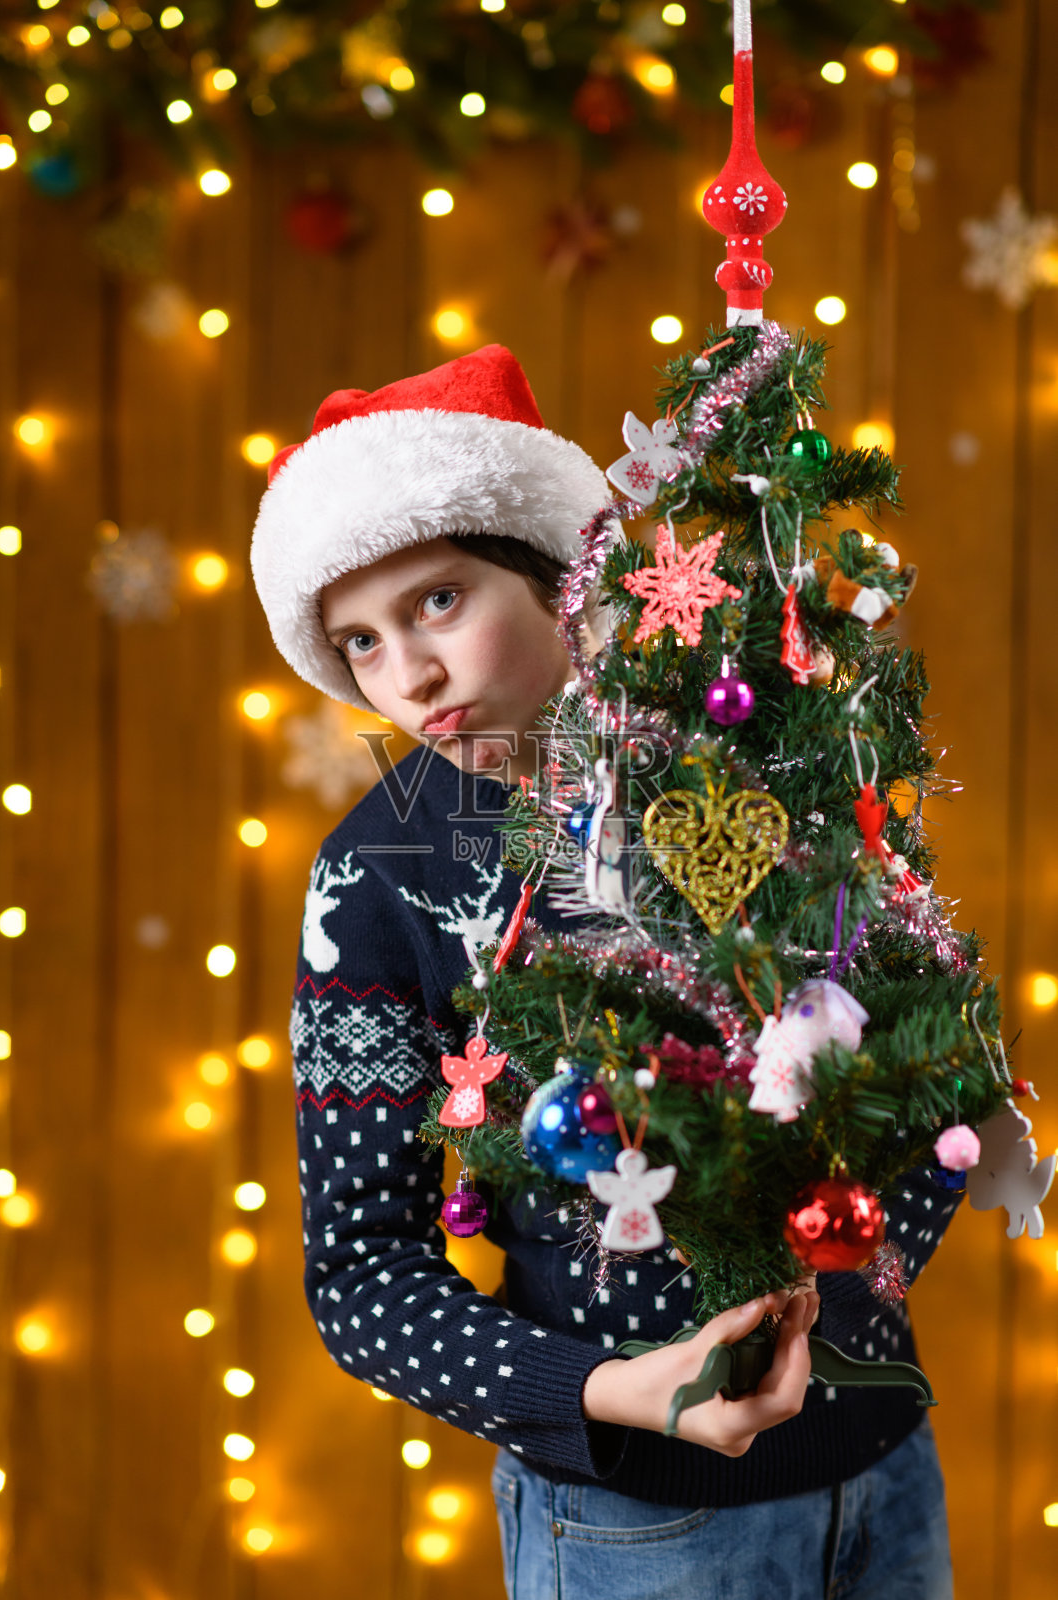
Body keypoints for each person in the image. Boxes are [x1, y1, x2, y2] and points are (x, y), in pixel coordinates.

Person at [250, 344, 959, 1599]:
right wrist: (605, 1391)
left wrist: (834, 1264)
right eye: (357, 642)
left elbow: (929, 1056)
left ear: (551, 570)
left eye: (436, 602)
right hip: (639, 1525)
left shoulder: (750, 754)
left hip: (884, 1466)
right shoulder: (376, 878)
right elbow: (362, 1275)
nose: (408, 678)